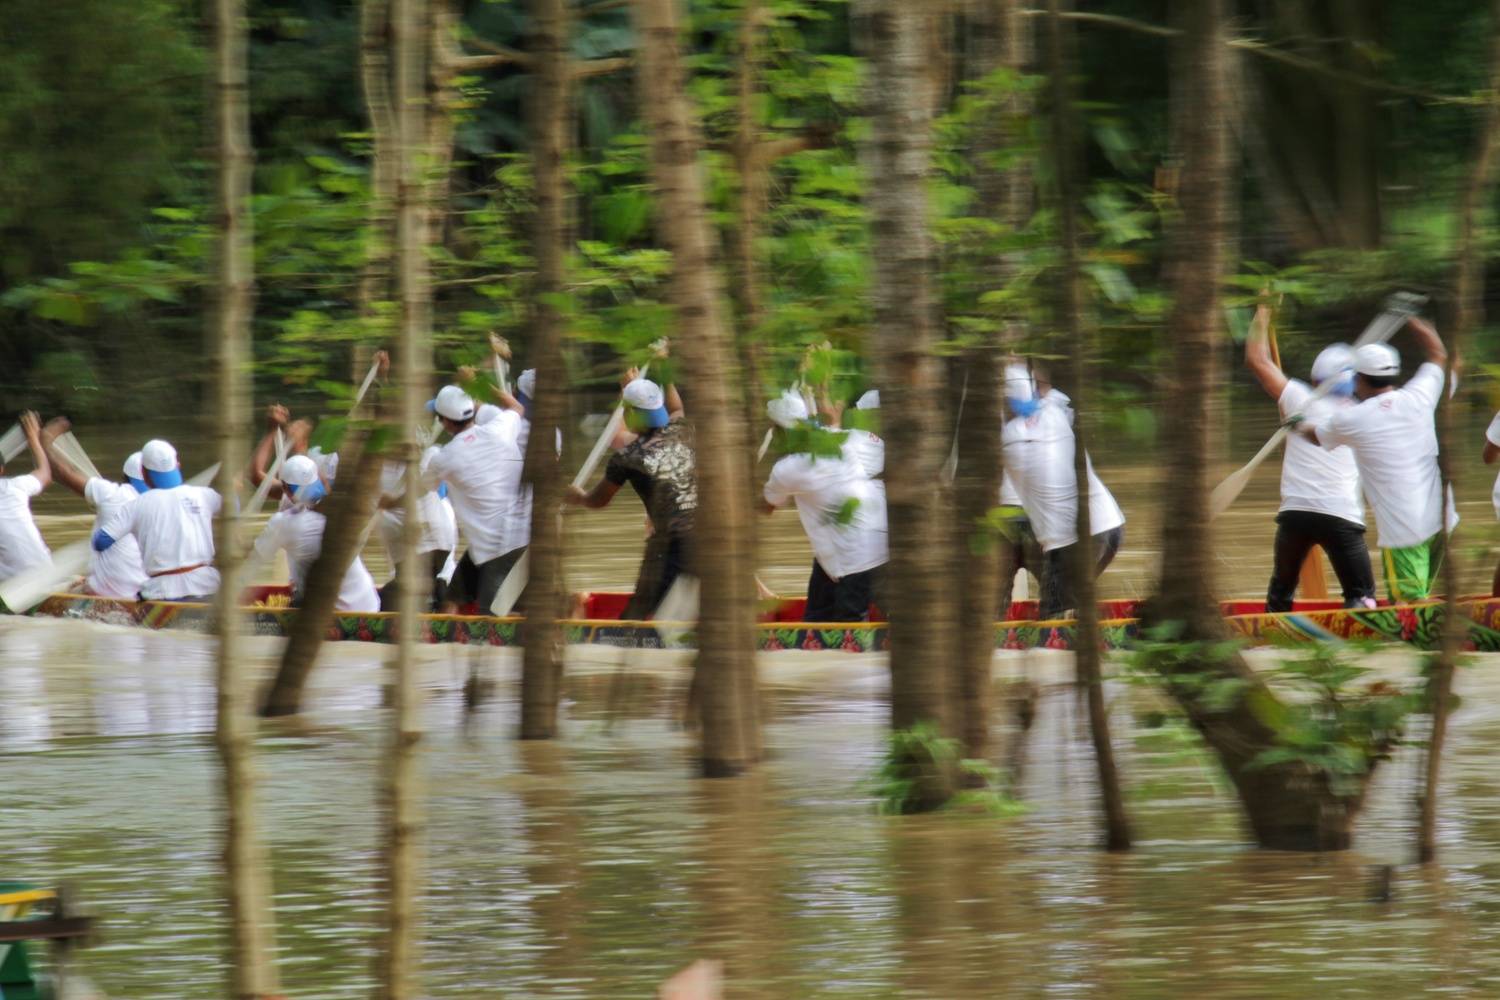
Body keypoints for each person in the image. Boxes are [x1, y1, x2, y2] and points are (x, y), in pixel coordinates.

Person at [1299, 316, 1455, 602]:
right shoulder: (1420, 396)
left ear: (1358, 379)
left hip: (1404, 530)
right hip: (1443, 518)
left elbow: (1316, 435)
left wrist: (1296, 423)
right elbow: (1438, 354)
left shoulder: (1353, 418)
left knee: (1407, 606)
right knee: (1420, 598)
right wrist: (1414, 320)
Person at [1243, 300, 1376, 611]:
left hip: (1295, 515)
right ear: (1354, 380)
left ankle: (1274, 621)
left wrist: (1263, 312)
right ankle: (1360, 616)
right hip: (1341, 516)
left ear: (1316, 378)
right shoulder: (1362, 414)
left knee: (1280, 594)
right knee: (1361, 596)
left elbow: (1256, 359)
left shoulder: (1297, 399)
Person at [1000, 364, 1125, 620]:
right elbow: (1046, 389)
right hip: (1111, 525)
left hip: (1076, 540)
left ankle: (1076, 630)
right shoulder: (1055, 410)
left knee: (1054, 618)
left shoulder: (1010, 437)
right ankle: (1087, 621)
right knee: (1068, 603)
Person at [566, 375, 694, 619]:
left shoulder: (627, 457)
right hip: (708, 539)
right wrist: (664, 370)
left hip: (671, 546)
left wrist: (578, 497)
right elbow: (677, 408)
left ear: (631, 414)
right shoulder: (682, 432)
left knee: (636, 616)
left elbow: (598, 500)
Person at [760, 390, 888, 621]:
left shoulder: (788, 469)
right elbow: (883, 453)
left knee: (848, 628)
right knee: (816, 619)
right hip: (864, 548)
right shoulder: (846, 438)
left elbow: (765, 507)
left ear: (780, 431)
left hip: (854, 558)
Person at [419, 382, 528, 612]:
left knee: (491, 617)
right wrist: (478, 385)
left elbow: (422, 488)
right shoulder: (498, 428)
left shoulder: (443, 459)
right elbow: (516, 407)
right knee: (453, 596)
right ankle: (445, 626)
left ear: (445, 422)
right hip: (513, 537)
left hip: (499, 549)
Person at [95, 439, 221, 602]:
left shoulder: (135, 505)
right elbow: (234, 506)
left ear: (144, 473)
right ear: (178, 466)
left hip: (163, 592)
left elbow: (100, 542)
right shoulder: (204, 495)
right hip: (207, 585)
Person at [253, 454, 380, 612]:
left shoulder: (286, 522)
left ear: (285, 488)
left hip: (335, 612)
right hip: (369, 604)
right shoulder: (342, 510)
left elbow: (255, 559)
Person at [40, 417, 149, 599]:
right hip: (146, 593)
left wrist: (46, 439)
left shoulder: (113, 494)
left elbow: (63, 473)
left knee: (70, 582)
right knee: (77, 579)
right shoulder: (164, 504)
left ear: (125, 478)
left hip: (108, 596)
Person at [0, 411, 52, 586]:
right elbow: (45, 473)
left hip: (17, 587)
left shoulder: (15, 486)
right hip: (47, 574)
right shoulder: (16, 486)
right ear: (1, 470)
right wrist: (33, 439)